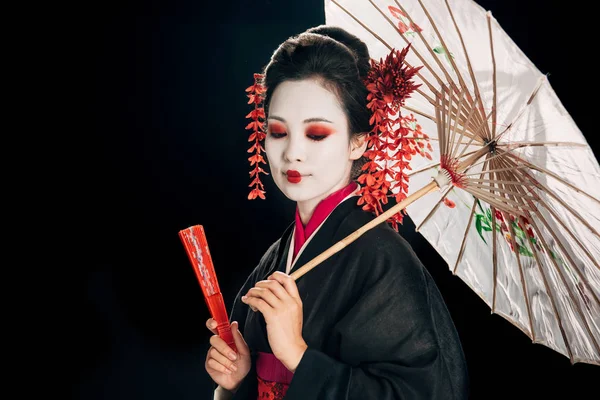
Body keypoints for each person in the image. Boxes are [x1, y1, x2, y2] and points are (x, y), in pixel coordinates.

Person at [204, 25, 469, 400]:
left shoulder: (383, 261)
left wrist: (297, 354)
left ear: (358, 142)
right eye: (278, 132)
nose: (293, 152)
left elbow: (421, 393)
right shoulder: (276, 259)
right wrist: (235, 380)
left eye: (316, 134)